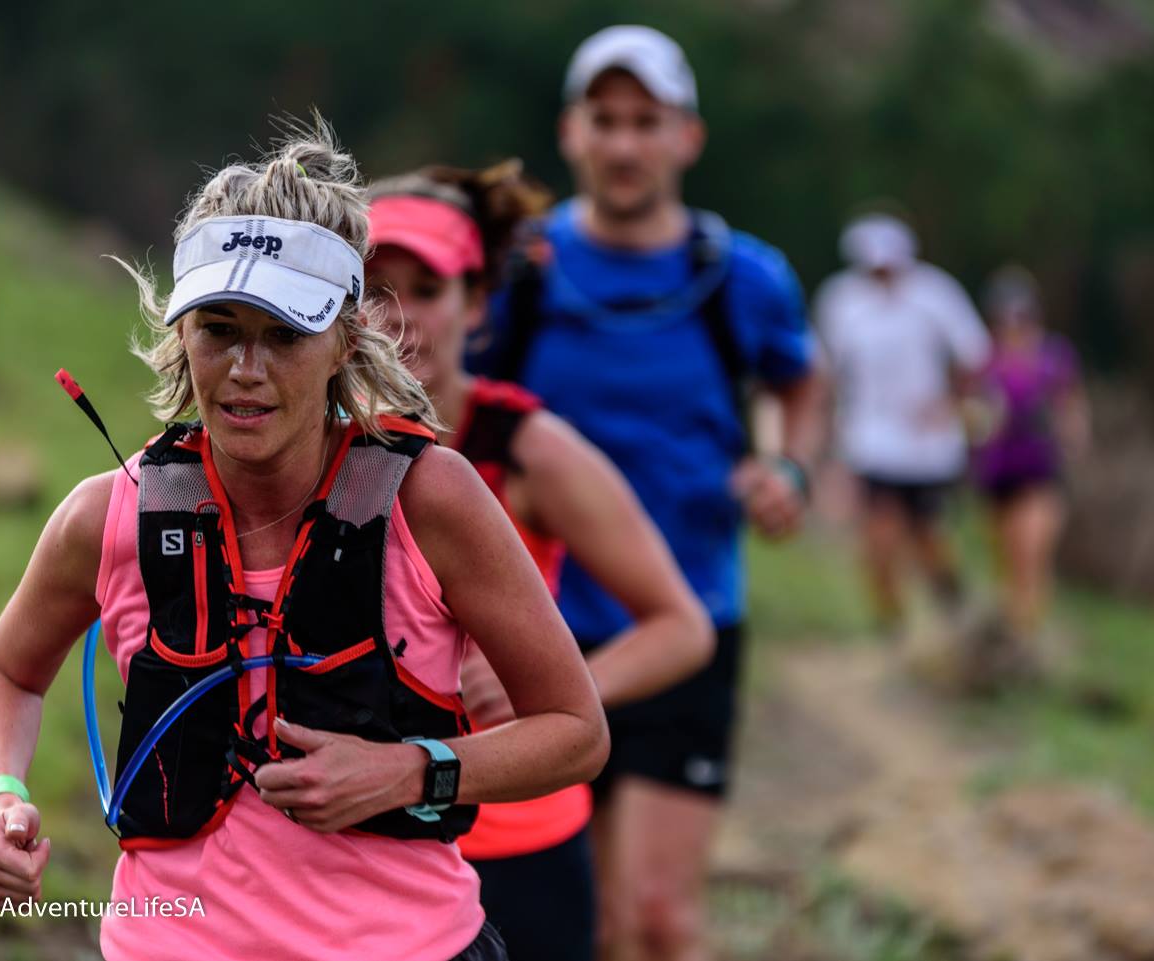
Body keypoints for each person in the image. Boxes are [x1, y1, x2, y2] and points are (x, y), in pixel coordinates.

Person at [0, 124, 609, 961]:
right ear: (180, 333)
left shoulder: (431, 497)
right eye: (219, 329)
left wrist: (413, 770)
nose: (245, 369)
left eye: (284, 334)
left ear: (346, 337)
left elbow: (576, 730)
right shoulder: (107, 515)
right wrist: (1, 796)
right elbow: (4, 671)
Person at [473, 26, 824, 961]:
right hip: (532, 632)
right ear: (571, 132)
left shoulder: (739, 278)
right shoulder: (520, 271)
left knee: (659, 919)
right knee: (567, 919)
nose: (625, 144)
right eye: (605, 120)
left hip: (686, 621)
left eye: (646, 122)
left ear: (686, 138)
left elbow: (799, 379)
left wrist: (788, 468)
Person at [367, 162, 714, 961]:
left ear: (479, 305)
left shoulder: (528, 450)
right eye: (374, 290)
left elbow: (681, 625)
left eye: (427, 289)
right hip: (362, 838)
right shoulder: (304, 443)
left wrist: (563, 691)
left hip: (514, 840)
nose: (399, 319)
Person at [814, 212, 991, 637]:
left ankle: (952, 608)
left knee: (930, 535)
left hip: (927, 444)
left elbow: (974, 355)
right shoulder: (841, 301)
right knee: (879, 537)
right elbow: (824, 373)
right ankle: (892, 624)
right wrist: (826, 445)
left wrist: (948, 403)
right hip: (870, 438)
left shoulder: (935, 294)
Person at [969, 265, 1089, 645]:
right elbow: (972, 412)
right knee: (1008, 557)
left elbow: (1071, 404)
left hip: (1040, 469)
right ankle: (1016, 632)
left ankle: (1029, 636)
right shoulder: (984, 358)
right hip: (998, 472)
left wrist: (1074, 435)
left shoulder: (1054, 356)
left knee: (1030, 550)